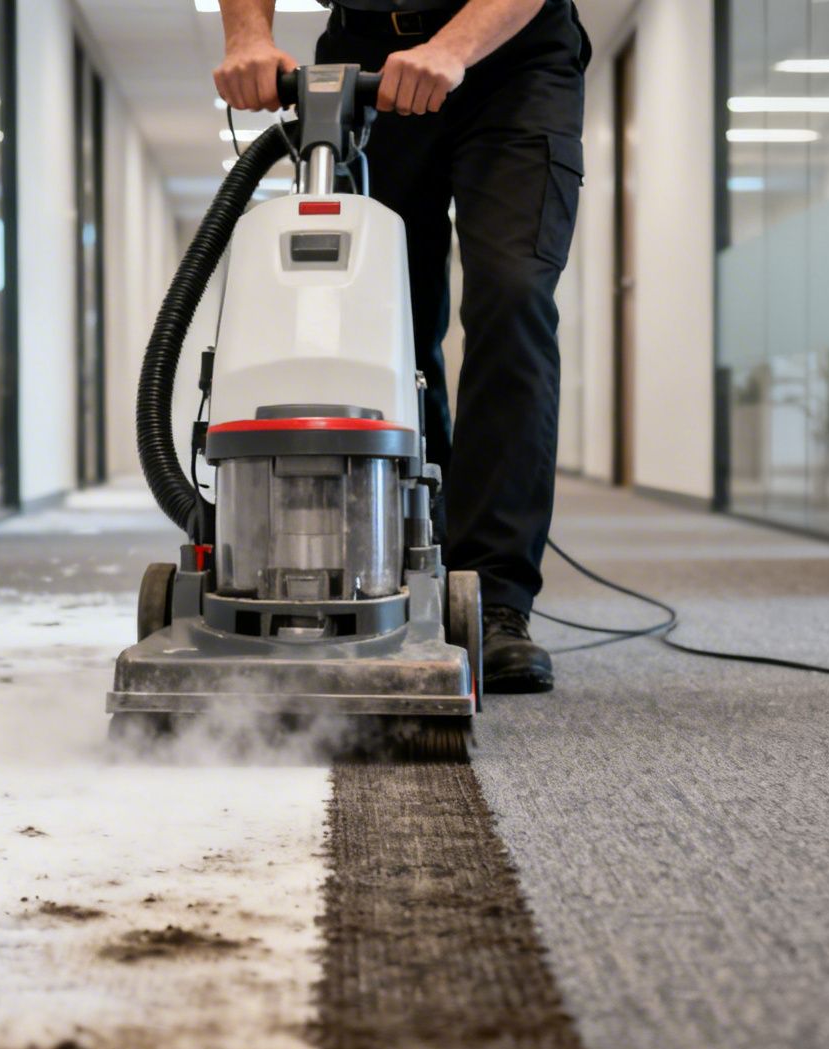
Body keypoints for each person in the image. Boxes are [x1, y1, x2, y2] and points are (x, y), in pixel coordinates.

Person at [213, 0, 590, 694]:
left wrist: (452, 47)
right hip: (365, 61)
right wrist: (249, 34)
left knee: (512, 296)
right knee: (386, 321)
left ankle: (495, 596)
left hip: (514, 58)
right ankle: (412, 558)